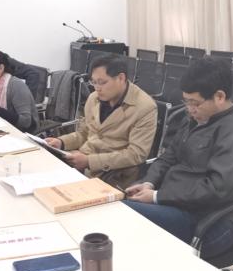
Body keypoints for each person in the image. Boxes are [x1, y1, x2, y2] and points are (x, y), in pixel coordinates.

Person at [124, 58, 233, 255]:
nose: (189, 109)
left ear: (219, 96)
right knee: (116, 207)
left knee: (124, 213)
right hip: (176, 202)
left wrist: (157, 197)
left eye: (195, 103)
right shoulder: (197, 119)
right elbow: (168, 156)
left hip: (208, 221)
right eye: (186, 102)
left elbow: (215, 190)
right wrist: (149, 183)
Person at [44, 54, 157, 188]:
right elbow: (84, 133)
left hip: (114, 174)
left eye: (102, 82)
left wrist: (90, 161)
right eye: (94, 82)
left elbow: (136, 154)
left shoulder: (144, 107)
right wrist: (61, 142)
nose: (97, 88)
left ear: (121, 78)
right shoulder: (94, 98)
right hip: (82, 162)